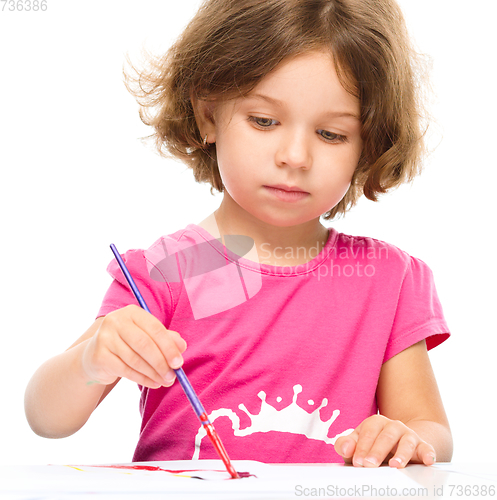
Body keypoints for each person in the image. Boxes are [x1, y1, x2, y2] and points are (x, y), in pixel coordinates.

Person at [25, 0, 453, 467]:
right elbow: (47, 416)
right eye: (264, 121)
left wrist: (403, 436)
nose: (295, 156)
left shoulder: (385, 279)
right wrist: (93, 361)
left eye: (331, 134)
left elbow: (431, 431)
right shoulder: (172, 270)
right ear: (208, 115)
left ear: (370, 143)